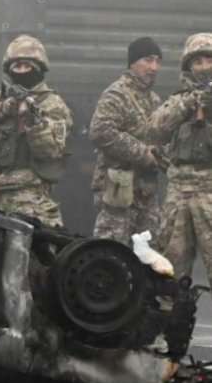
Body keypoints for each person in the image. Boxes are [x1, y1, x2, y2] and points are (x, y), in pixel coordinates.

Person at [0, 35, 73, 227]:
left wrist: (31, 122)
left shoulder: (52, 104)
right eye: (16, 67)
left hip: (29, 198)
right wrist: (1, 110)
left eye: (26, 66)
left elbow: (51, 150)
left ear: (38, 69)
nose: (21, 71)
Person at [149, 32, 212, 291]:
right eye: (198, 62)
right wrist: (189, 104)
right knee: (170, 267)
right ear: (188, 67)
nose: (204, 67)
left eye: (209, 60)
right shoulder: (178, 100)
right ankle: (169, 327)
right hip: (179, 193)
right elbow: (154, 130)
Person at [89, 37, 163, 242]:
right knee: (113, 254)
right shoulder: (117, 94)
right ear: (132, 63)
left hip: (146, 194)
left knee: (148, 257)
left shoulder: (154, 100)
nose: (154, 67)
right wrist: (143, 153)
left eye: (158, 61)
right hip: (118, 192)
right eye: (148, 60)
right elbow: (100, 131)